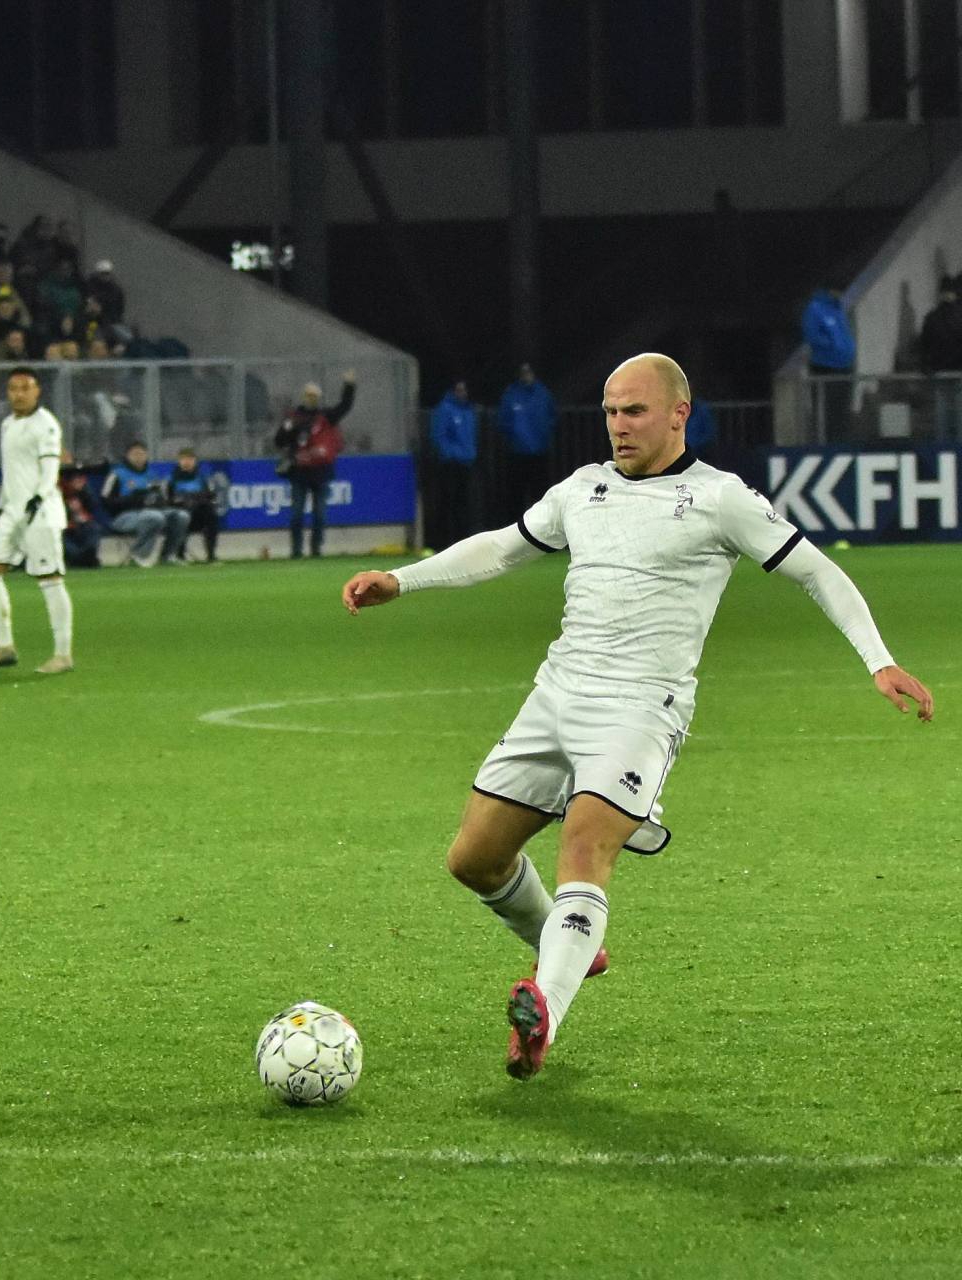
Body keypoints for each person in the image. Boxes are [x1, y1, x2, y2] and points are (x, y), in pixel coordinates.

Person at [338, 353, 932, 1082]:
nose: (619, 425)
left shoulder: (720, 498)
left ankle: (543, 1010)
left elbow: (817, 570)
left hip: (639, 711)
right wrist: (403, 579)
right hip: (554, 697)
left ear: (679, 413)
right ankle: (573, 943)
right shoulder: (582, 488)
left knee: (585, 850)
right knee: (473, 859)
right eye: (611, 411)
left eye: (635, 411)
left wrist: (879, 658)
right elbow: (501, 547)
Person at [0, 367, 76, 675]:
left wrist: (38, 498)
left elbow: (50, 470)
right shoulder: (7, 424)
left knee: (50, 579)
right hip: (12, 511)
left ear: (37, 391)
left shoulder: (45, 425)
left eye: (24, 388)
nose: (18, 394)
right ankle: (4, 646)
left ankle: (63, 654)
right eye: (12, 389)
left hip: (39, 513)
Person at [274, 374, 355, 558]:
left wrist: (349, 386)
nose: (311, 398)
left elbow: (344, 406)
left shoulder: (325, 416)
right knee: (296, 515)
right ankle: (296, 551)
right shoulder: (294, 418)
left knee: (320, 515)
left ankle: (316, 549)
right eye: (308, 395)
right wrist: (287, 429)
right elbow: (279, 441)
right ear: (304, 396)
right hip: (299, 472)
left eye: (314, 395)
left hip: (321, 472)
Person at [101, 440, 189, 567]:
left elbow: (162, 498)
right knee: (154, 517)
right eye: (135, 454)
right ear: (127, 456)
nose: (139, 458)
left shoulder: (152, 474)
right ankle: (138, 555)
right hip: (123, 516)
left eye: (142, 454)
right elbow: (106, 500)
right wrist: (134, 500)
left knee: (181, 516)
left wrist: (157, 501)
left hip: (153, 512)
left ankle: (168, 555)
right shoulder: (117, 474)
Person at [496, 363, 556, 521]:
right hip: (517, 453)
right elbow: (503, 421)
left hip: (539, 452)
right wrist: (513, 439)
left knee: (540, 495)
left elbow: (552, 417)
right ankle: (517, 530)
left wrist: (544, 436)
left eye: (528, 372)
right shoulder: (511, 394)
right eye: (523, 372)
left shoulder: (543, 394)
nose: (526, 375)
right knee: (516, 496)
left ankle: (541, 530)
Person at [426, 379, 478, 550]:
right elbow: (439, 436)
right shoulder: (445, 409)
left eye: (464, 390)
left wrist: (469, 455)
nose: (462, 393)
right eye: (459, 390)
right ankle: (441, 544)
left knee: (463, 506)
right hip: (450, 464)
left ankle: (463, 544)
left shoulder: (468, 410)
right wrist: (451, 455)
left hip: (465, 463)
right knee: (447, 504)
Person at [802, 285, 856, 439]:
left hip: (844, 367)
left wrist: (846, 348)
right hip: (825, 368)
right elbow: (812, 336)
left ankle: (840, 441)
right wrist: (834, 346)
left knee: (841, 412)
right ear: (831, 290)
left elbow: (843, 333)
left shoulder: (837, 309)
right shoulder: (815, 309)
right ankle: (826, 442)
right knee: (827, 412)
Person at [164, 446, 229, 563]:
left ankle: (211, 555)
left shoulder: (202, 478)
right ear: (179, 461)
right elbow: (169, 500)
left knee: (211, 514)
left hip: (198, 515)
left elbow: (210, 496)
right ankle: (179, 555)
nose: (187, 462)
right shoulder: (172, 479)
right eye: (183, 459)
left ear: (195, 461)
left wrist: (196, 498)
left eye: (190, 459)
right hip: (181, 516)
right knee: (182, 516)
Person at [918, 277, 962, 440]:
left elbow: (924, 344)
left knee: (942, 412)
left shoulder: (932, 317)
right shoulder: (959, 315)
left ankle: (943, 446)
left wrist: (926, 365)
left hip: (939, 370)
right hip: (957, 371)